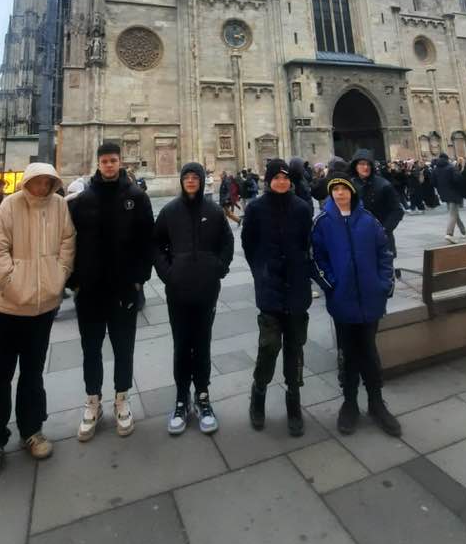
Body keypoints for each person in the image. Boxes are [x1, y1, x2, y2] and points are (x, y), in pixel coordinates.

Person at [0, 163, 75, 485]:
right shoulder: (10, 205)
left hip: (42, 308)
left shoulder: (59, 205)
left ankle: (32, 430)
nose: (42, 186)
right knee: (0, 377)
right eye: (38, 181)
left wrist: (58, 277)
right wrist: (14, 285)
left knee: (33, 374)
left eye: (48, 182)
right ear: (28, 181)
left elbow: (68, 243)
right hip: (7, 307)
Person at [68, 141, 154, 442]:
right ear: (98, 163)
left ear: (120, 162)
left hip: (123, 288)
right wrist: (73, 281)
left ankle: (121, 399)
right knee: (91, 349)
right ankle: (93, 401)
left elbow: (148, 240)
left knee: (123, 348)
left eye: (113, 160)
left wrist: (139, 279)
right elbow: (68, 241)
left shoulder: (136, 197)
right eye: (104, 161)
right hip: (90, 290)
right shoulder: (82, 199)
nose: (108, 165)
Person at [312, 171, 400, 437]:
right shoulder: (323, 223)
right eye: (335, 189)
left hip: (371, 298)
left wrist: (384, 284)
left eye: (344, 188)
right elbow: (316, 258)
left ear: (352, 191)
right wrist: (332, 284)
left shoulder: (369, 220)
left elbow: (384, 253)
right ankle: (349, 403)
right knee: (348, 354)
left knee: (370, 352)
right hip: (343, 300)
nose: (340, 193)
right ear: (330, 193)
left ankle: (376, 402)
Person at [154, 162, 234, 435]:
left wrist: (218, 268)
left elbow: (227, 242)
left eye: (194, 177)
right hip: (178, 290)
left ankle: (202, 396)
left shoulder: (213, 211)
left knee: (202, 344)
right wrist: (168, 273)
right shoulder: (170, 211)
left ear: (201, 181)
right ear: (182, 181)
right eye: (186, 177)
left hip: (206, 289)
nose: (190, 181)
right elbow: (156, 244)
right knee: (181, 344)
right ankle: (181, 398)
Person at [242, 158, 312, 436]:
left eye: (285, 178)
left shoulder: (302, 208)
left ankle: (294, 401)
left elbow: (308, 243)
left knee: (295, 348)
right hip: (270, 289)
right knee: (269, 347)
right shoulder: (256, 208)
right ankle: (258, 394)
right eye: (276, 177)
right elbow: (248, 244)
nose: (281, 182)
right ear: (268, 180)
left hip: (296, 289)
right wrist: (260, 271)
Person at [350, 149, 404, 278]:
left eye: (368, 164)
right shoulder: (350, 185)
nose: (365, 167)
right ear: (355, 166)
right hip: (358, 236)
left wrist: (384, 229)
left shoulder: (383, 185)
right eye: (362, 164)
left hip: (381, 236)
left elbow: (397, 210)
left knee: (384, 274)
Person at [432, 152, 466, 243]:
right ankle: (449, 234)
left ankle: (463, 231)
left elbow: (433, 183)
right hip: (454, 193)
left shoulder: (435, 169)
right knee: (453, 214)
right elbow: (458, 179)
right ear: (447, 159)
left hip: (444, 194)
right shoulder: (451, 167)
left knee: (454, 213)